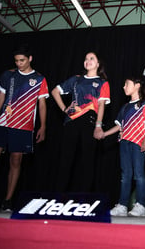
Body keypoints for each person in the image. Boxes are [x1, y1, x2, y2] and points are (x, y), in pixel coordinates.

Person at [0, 45, 49, 212]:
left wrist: (43, 126)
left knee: (16, 160)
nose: (19, 63)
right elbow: (0, 98)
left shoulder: (40, 79)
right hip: (3, 122)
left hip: (24, 126)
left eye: (22, 60)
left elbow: (42, 104)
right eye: (16, 61)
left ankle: (7, 200)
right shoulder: (8, 74)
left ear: (30, 59)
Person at [52, 51, 110, 193]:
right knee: (66, 160)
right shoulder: (76, 79)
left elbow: (101, 105)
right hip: (71, 121)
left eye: (92, 58)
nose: (88, 60)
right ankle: (59, 196)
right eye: (85, 59)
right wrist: (65, 109)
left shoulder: (103, 83)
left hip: (89, 122)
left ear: (98, 64)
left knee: (87, 161)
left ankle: (84, 198)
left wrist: (98, 125)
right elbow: (55, 92)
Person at [104, 77, 145, 217]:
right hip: (124, 142)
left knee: (139, 174)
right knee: (125, 175)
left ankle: (141, 205)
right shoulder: (125, 107)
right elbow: (119, 126)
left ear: (137, 85)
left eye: (127, 84)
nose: (124, 87)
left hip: (138, 142)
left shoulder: (144, 104)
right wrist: (104, 133)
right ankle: (122, 205)